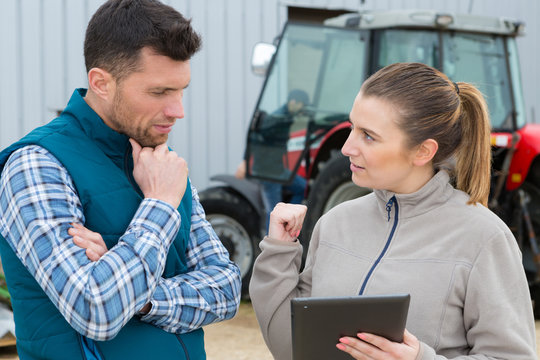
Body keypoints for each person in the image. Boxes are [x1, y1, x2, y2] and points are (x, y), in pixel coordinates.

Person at [0, 1, 241, 359]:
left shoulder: (163, 165)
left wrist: (139, 296)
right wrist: (158, 206)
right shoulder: (36, 165)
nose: (178, 111)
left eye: (181, 90)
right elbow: (96, 310)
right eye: (159, 92)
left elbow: (226, 288)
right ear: (101, 83)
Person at [249, 62, 537, 359]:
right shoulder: (335, 223)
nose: (348, 147)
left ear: (423, 151)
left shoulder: (485, 238)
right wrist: (278, 252)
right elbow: (292, 348)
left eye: (369, 136)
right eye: (352, 128)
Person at [237, 89, 309, 228]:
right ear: (293, 102)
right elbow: (255, 138)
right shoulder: (276, 119)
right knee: (274, 213)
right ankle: (271, 242)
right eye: (302, 105)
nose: (303, 109)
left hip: (279, 170)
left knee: (302, 187)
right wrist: (245, 161)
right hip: (268, 174)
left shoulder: (287, 116)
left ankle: (291, 218)